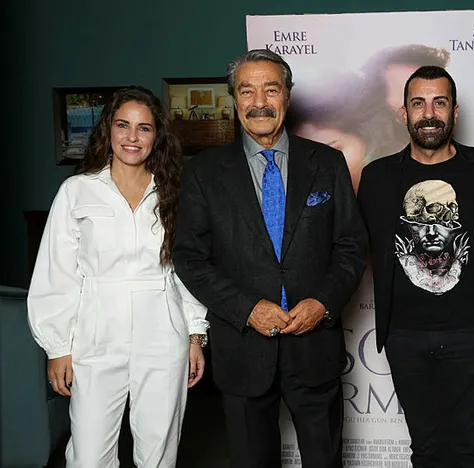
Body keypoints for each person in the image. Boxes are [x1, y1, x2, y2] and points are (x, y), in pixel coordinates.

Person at [172, 49, 367, 468]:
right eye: (247, 91)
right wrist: (247, 309)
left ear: (288, 96)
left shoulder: (327, 162)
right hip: (243, 352)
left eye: (271, 89)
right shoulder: (204, 172)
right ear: (234, 99)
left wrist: (323, 303)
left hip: (314, 348)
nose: (259, 102)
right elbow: (190, 258)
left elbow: (351, 244)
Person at [27, 86, 209, 467]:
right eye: (123, 125)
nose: (132, 137)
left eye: (144, 128)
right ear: (107, 129)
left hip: (163, 329)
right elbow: (57, 272)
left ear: (156, 136)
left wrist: (195, 333)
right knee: (89, 455)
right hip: (95, 333)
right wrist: (57, 346)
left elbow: (187, 268)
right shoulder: (77, 191)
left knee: (159, 452)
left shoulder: (174, 193)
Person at [357, 66, 474, 467]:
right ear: (404, 112)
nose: (429, 113)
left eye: (440, 102)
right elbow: (349, 244)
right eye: (418, 103)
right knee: (425, 448)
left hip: (469, 332)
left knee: (466, 450)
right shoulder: (377, 177)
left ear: (455, 111)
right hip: (404, 334)